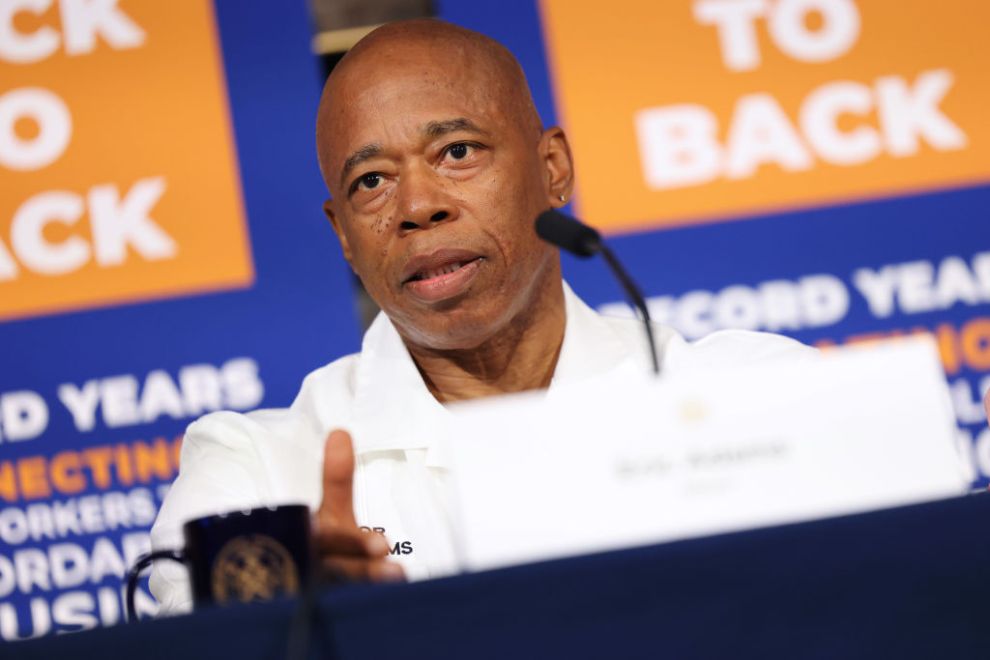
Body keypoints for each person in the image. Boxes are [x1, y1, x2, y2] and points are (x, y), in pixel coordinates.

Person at [149, 18, 812, 614]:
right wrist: (298, 627)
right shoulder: (255, 475)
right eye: (371, 181)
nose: (417, 205)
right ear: (344, 236)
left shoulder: (757, 394)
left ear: (553, 168)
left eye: (458, 153)